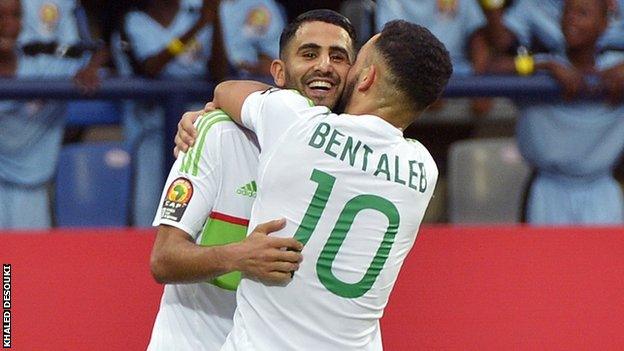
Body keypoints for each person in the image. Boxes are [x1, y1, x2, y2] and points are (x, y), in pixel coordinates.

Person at [200, 19, 452, 350]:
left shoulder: (295, 120)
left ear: (367, 78)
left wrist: (207, 116)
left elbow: (225, 90)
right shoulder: (423, 170)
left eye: (354, 61)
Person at [148, 10, 358, 350]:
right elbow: (164, 260)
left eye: (338, 57)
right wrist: (239, 256)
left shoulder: (352, 157)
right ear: (279, 71)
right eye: (309, 54)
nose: (324, 65)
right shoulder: (217, 134)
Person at [510, 0, 624, 223]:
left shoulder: (616, 68)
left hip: (601, 189)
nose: (572, 18)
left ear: (604, 24)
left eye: (583, 13)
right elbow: (486, 67)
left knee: (605, 259)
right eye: (568, 12)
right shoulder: (543, 66)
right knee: (542, 258)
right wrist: (545, 66)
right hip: (547, 189)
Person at [117, 0, 228, 226]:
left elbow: (220, 71)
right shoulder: (135, 20)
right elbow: (151, 67)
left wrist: (214, 18)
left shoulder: (196, 10)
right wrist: (198, 27)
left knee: (198, 212)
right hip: (152, 129)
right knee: (147, 210)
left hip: (196, 133)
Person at [0, 0, 76, 229]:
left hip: (32, 191)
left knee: (21, 265)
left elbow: (89, 58)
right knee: (5, 266)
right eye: (0, 16)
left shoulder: (41, 68)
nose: (7, 24)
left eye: (15, 15)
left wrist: (89, 69)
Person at [220, 0, 285, 76]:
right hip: (208, 75)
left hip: (246, 78)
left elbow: (273, 61)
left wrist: (247, 67)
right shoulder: (205, 5)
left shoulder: (259, 4)